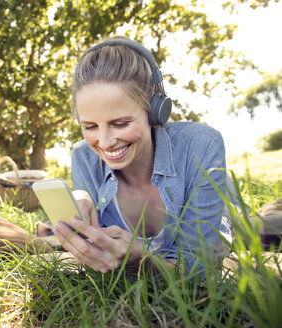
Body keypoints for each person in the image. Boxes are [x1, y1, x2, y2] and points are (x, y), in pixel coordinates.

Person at [52, 36, 233, 274]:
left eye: (121, 123)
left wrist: (143, 262)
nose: (105, 142)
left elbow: (199, 267)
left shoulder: (202, 145)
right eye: (90, 126)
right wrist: (82, 196)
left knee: (262, 226)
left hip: (225, 213)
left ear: (155, 111)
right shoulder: (84, 157)